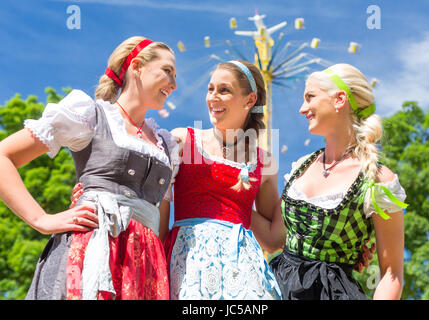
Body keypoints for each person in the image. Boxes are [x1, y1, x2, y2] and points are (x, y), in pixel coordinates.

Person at [0, 36, 178, 299]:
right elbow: (4, 156)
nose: (174, 84)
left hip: (145, 268)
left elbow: (161, 223)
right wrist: (41, 220)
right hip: (88, 253)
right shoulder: (91, 116)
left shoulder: (166, 144)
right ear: (137, 66)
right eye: (168, 72)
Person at [253, 63, 407, 300]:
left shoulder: (378, 180)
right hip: (276, 288)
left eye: (310, 97)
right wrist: (227, 198)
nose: (302, 109)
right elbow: (274, 240)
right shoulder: (301, 166)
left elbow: (391, 272)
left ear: (339, 99)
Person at [161, 60, 282, 300]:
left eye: (224, 90)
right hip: (187, 264)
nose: (212, 97)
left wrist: (299, 189)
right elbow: (159, 211)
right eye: (210, 89)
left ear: (250, 100)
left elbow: (272, 240)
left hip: (243, 270)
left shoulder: (264, 163)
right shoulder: (182, 140)